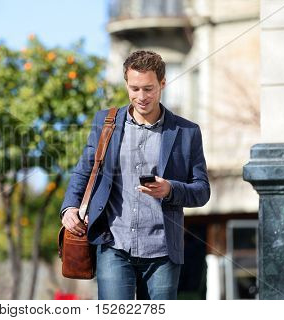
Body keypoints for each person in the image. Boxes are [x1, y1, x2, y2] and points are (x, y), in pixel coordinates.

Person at [60, 50, 210, 300]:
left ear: (163, 84)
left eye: (149, 89)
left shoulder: (187, 132)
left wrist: (170, 190)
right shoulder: (106, 123)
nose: (141, 97)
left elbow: (202, 191)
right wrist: (69, 208)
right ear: (127, 85)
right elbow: (84, 170)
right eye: (135, 88)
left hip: (163, 252)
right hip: (113, 244)